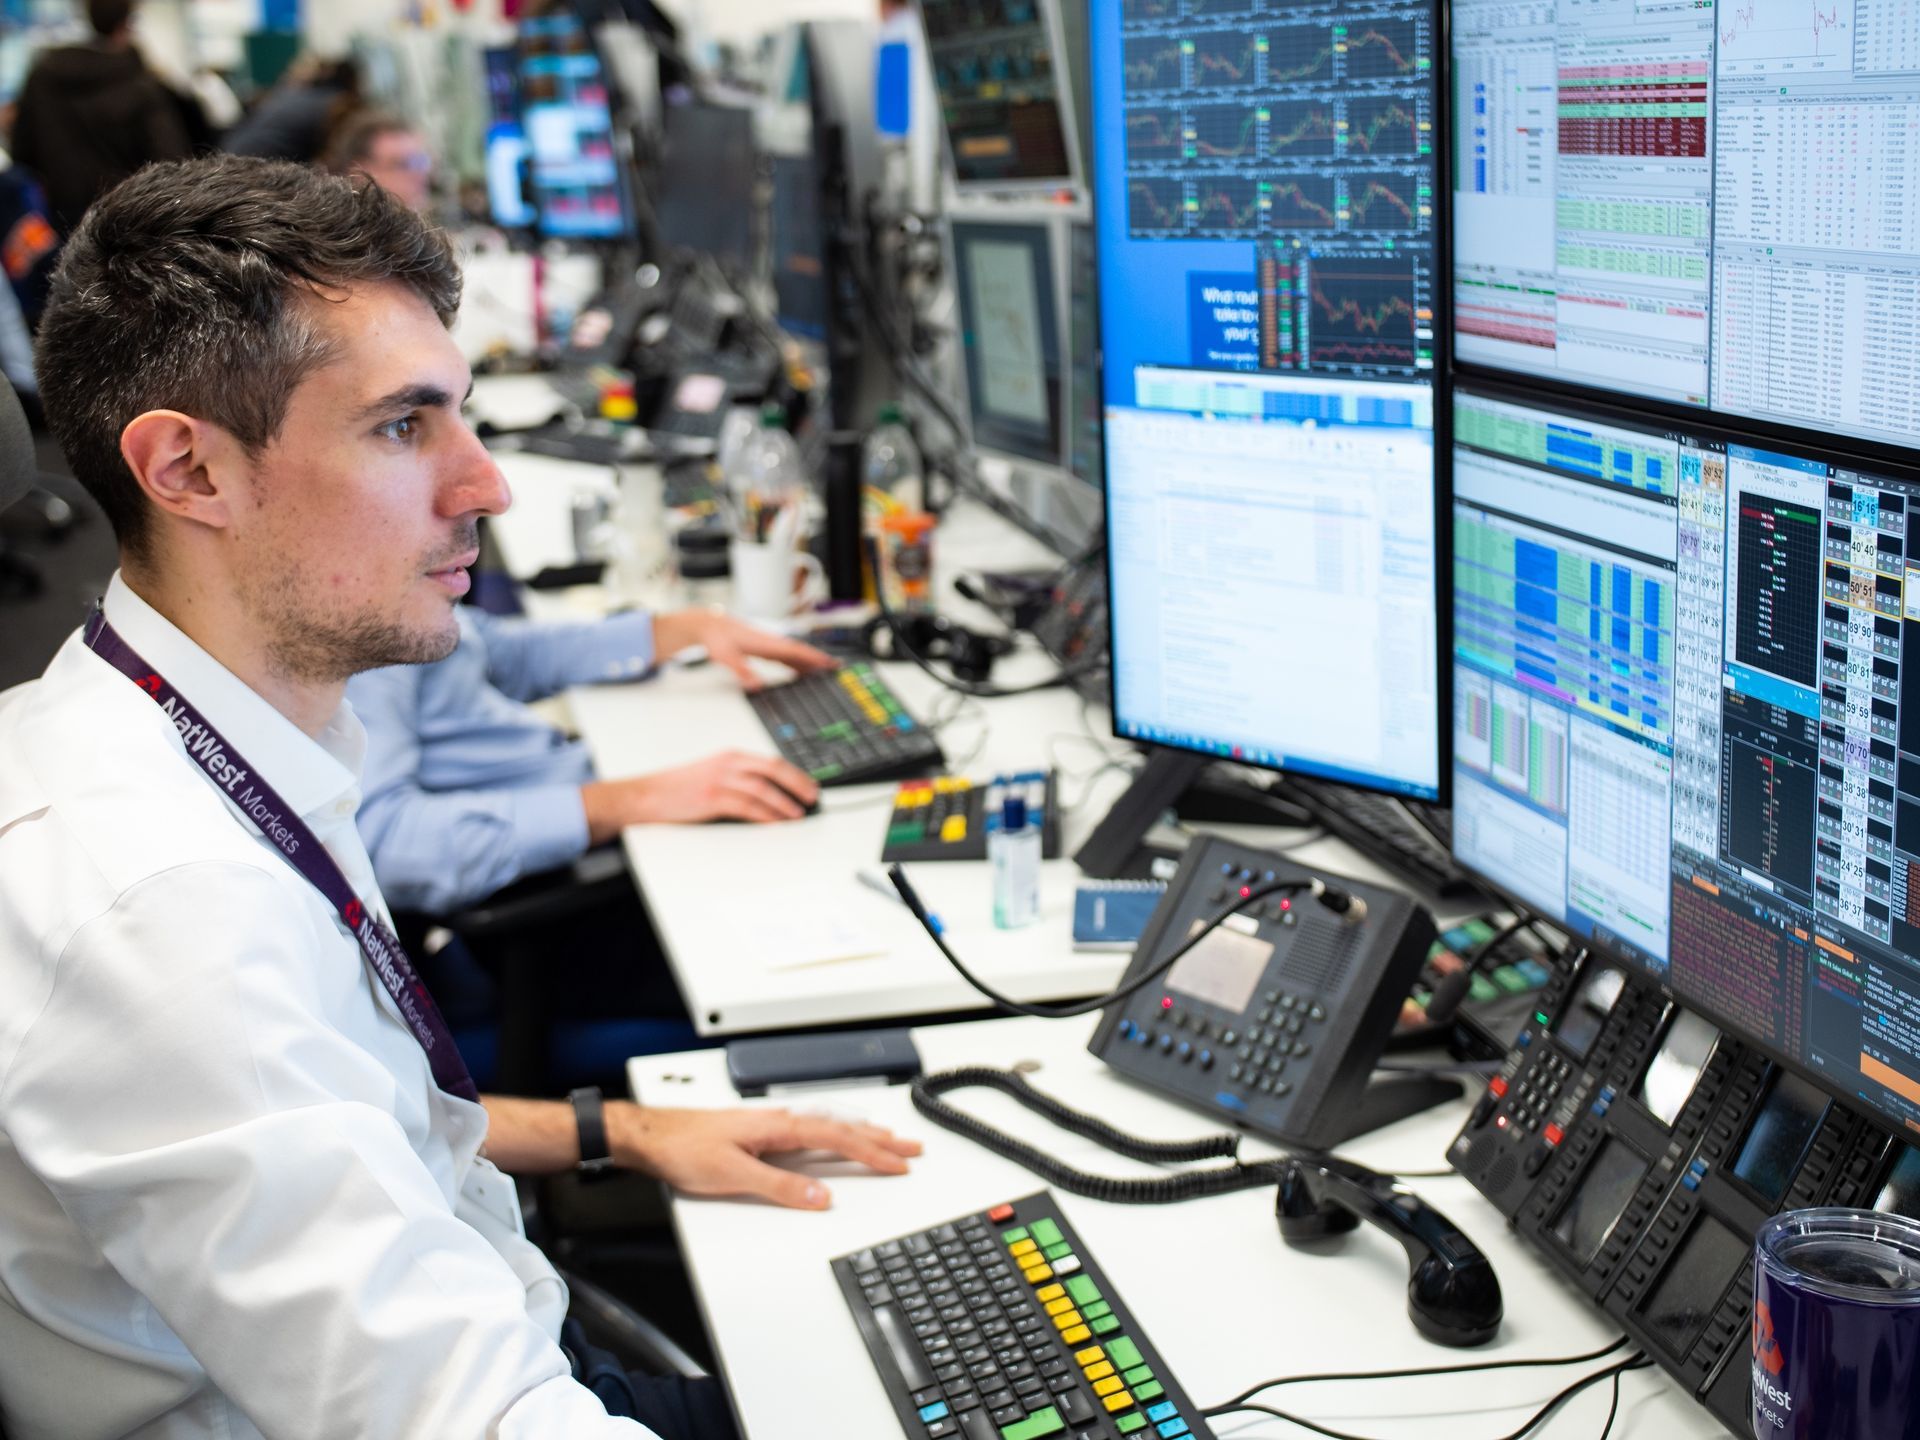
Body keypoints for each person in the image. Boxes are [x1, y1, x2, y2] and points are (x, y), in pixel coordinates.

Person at [0, 154, 919, 1438]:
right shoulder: (165, 911)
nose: (486, 483)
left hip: (500, 1303)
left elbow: (340, 1116)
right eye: (400, 426)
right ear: (190, 473)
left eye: (461, 414)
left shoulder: (185, 722)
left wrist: (620, 1133)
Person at [349, 605, 833, 915]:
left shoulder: (395, 585)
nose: (489, 491)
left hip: (588, 859)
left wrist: (687, 628)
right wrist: (634, 799)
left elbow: (505, 654)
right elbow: (387, 845)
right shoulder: (354, 625)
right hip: (555, 913)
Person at [7, 0, 192, 236]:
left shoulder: (43, 77)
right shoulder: (138, 81)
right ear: (125, 24)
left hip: (65, 217)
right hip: (133, 215)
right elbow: (171, 157)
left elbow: (22, 150)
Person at [324, 109, 435, 213]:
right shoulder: (344, 230)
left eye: (421, 162)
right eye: (404, 165)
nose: (419, 175)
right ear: (359, 173)